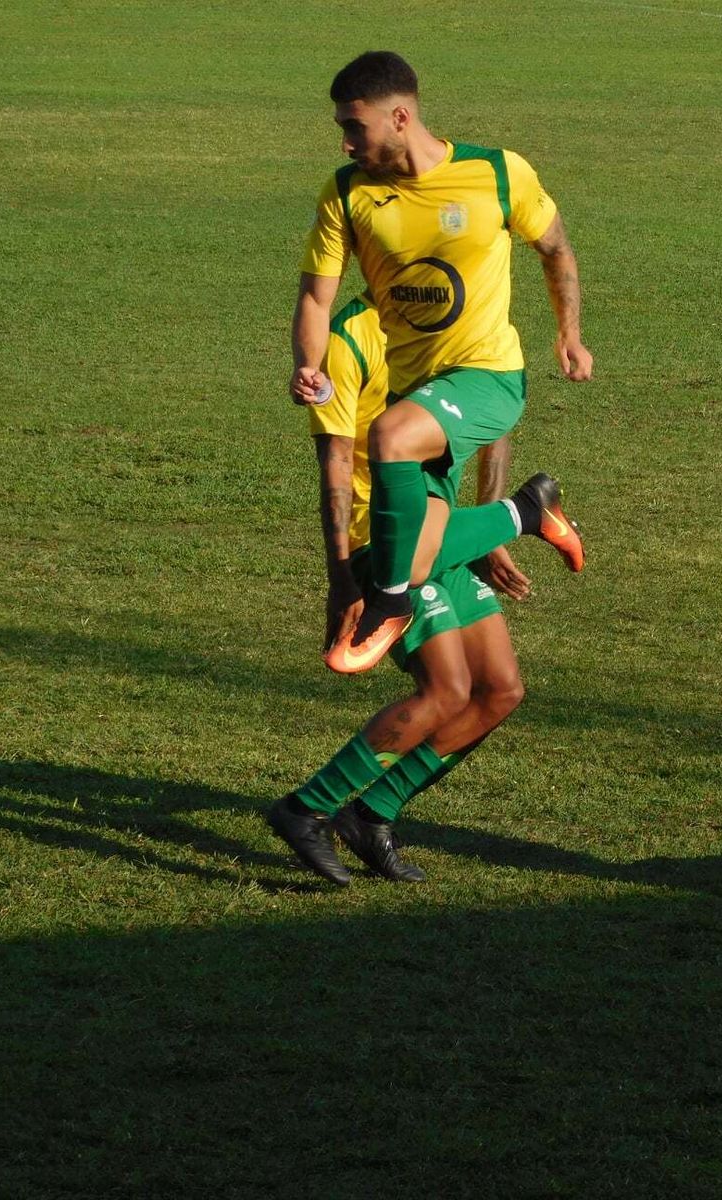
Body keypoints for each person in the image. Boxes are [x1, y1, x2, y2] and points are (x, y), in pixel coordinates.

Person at [290, 50, 592, 673]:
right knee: (414, 557)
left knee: (389, 436)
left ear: (400, 117)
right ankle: (528, 511)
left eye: (355, 127)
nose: (346, 144)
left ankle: (388, 606)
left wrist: (569, 333)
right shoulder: (347, 193)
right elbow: (316, 297)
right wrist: (309, 363)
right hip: (418, 394)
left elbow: (555, 247)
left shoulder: (497, 172)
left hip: (489, 378)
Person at [268, 292, 582, 885]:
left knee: (499, 691)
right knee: (446, 691)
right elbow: (336, 462)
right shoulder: (349, 339)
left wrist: (480, 529)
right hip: (382, 538)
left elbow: (488, 421)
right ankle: (307, 808)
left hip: (444, 530)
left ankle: (371, 815)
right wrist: (341, 578)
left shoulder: (462, 320)